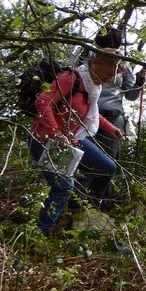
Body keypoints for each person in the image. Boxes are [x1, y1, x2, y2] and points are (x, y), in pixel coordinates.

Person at [29, 48, 123, 234]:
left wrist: (110, 128)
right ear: (95, 62)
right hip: (45, 140)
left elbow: (89, 112)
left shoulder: (93, 87)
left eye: (112, 76)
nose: (109, 79)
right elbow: (43, 101)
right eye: (107, 73)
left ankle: (83, 209)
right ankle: (41, 231)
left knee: (107, 167)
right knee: (63, 186)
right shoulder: (70, 78)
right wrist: (56, 134)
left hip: (72, 139)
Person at [73, 28, 146, 209]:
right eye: (107, 46)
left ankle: (99, 205)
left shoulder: (122, 62)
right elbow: (69, 75)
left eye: (114, 47)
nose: (112, 50)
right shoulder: (84, 53)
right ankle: (75, 205)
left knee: (108, 162)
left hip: (112, 117)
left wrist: (139, 82)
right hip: (85, 112)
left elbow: (130, 95)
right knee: (82, 158)